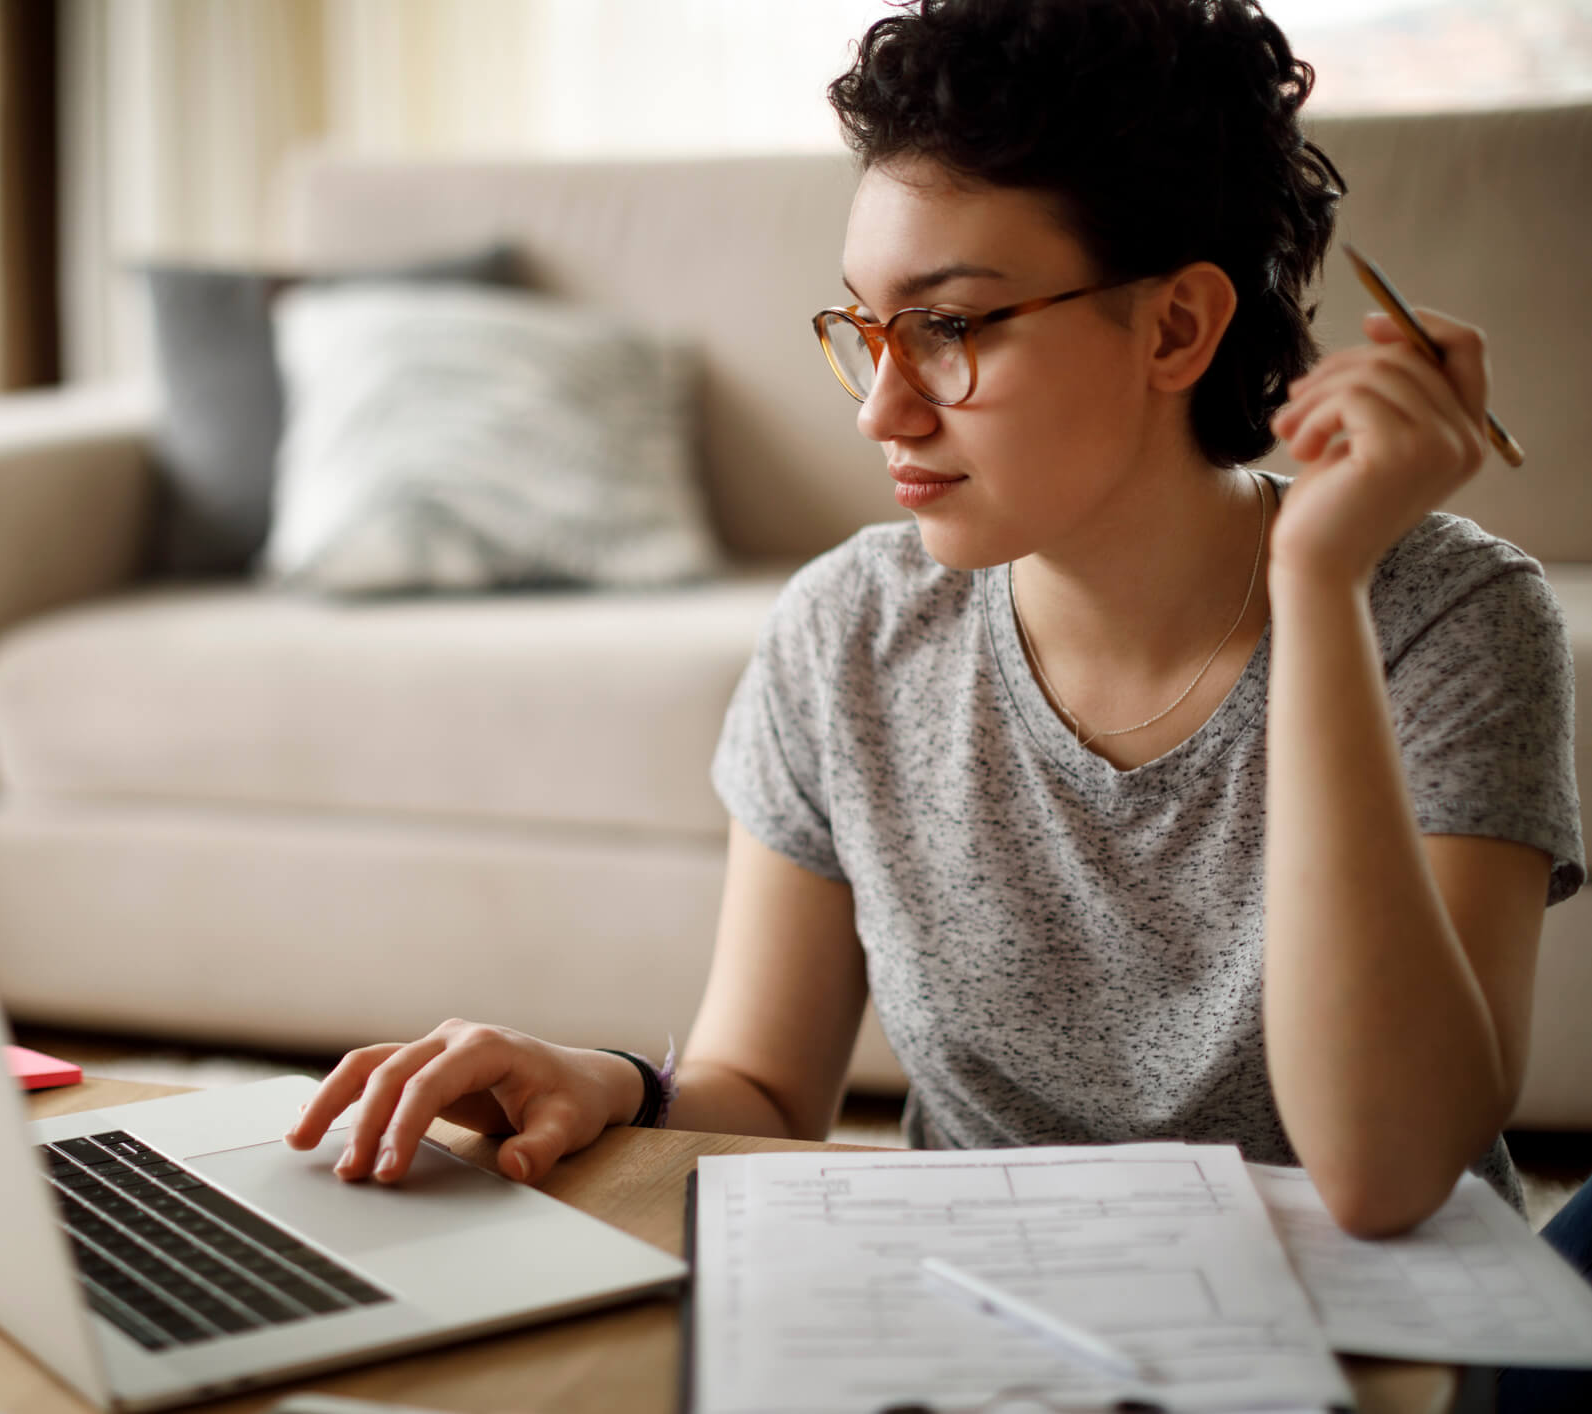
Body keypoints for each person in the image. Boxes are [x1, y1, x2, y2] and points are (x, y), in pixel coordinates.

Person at [284, 0, 1583, 1250]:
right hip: (970, 1321)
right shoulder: (848, 625)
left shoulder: (1448, 619)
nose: (881, 409)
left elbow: (1387, 1174)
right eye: (865, 326)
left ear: (1177, 325)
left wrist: (1316, 587)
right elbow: (766, 1092)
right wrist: (609, 1079)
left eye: (951, 326)